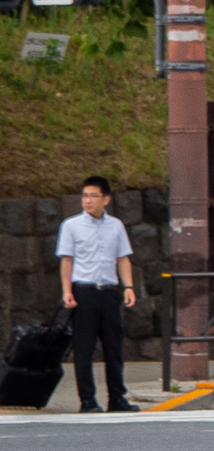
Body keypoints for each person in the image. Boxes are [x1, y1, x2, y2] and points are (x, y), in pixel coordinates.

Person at [56, 175, 138, 413]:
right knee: (84, 348)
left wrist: (129, 286)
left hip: (109, 291)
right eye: (85, 196)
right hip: (84, 291)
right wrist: (67, 292)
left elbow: (122, 258)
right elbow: (67, 261)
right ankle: (88, 400)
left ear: (106, 199)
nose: (88, 200)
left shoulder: (116, 226)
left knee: (114, 348)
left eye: (93, 196)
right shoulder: (71, 226)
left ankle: (117, 398)